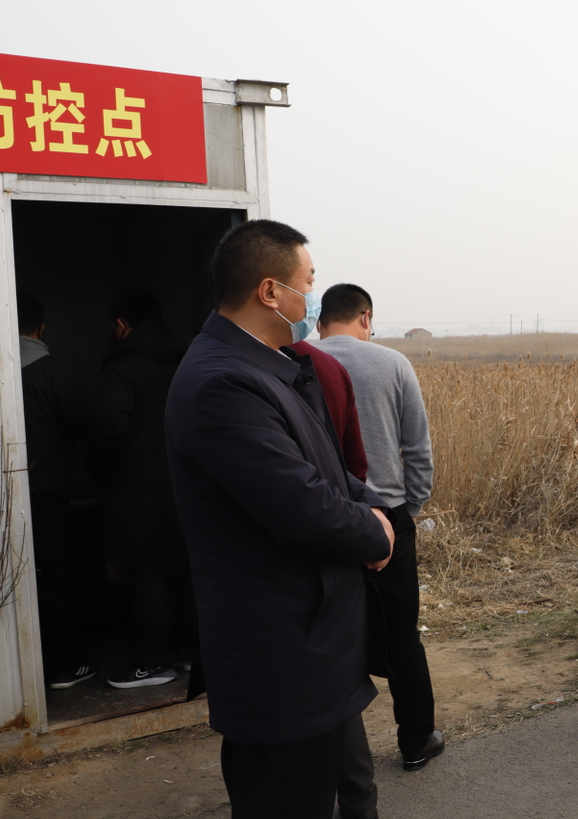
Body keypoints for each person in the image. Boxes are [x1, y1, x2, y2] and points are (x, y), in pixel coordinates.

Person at [165, 219, 395, 819]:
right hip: (280, 651)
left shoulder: (271, 364)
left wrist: (370, 504)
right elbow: (301, 506)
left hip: (315, 643)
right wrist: (373, 532)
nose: (312, 297)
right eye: (307, 283)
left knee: (332, 787)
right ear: (271, 292)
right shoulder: (223, 382)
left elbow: (326, 465)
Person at [311, 283, 442, 771]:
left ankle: (339, 759)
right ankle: (416, 741)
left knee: (329, 639)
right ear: (366, 317)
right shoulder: (392, 363)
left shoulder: (296, 360)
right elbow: (417, 447)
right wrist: (411, 508)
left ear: (320, 322)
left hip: (322, 520)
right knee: (401, 635)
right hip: (389, 518)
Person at [88, 290, 197, 689]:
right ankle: (190, 653)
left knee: (145, 574)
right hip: (188, 487)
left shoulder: (122, 368)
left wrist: (98, 473)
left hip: (135, 490)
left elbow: (106, 430)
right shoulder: (190, 361)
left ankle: (154, 662)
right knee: (186, 571)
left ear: (121, 325)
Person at [17, 293, 94, 690]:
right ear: (41, 328)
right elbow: (82, 426)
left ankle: (19, 673)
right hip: (48, 490)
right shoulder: (54, 373)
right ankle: (63, 666)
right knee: (57, 577)